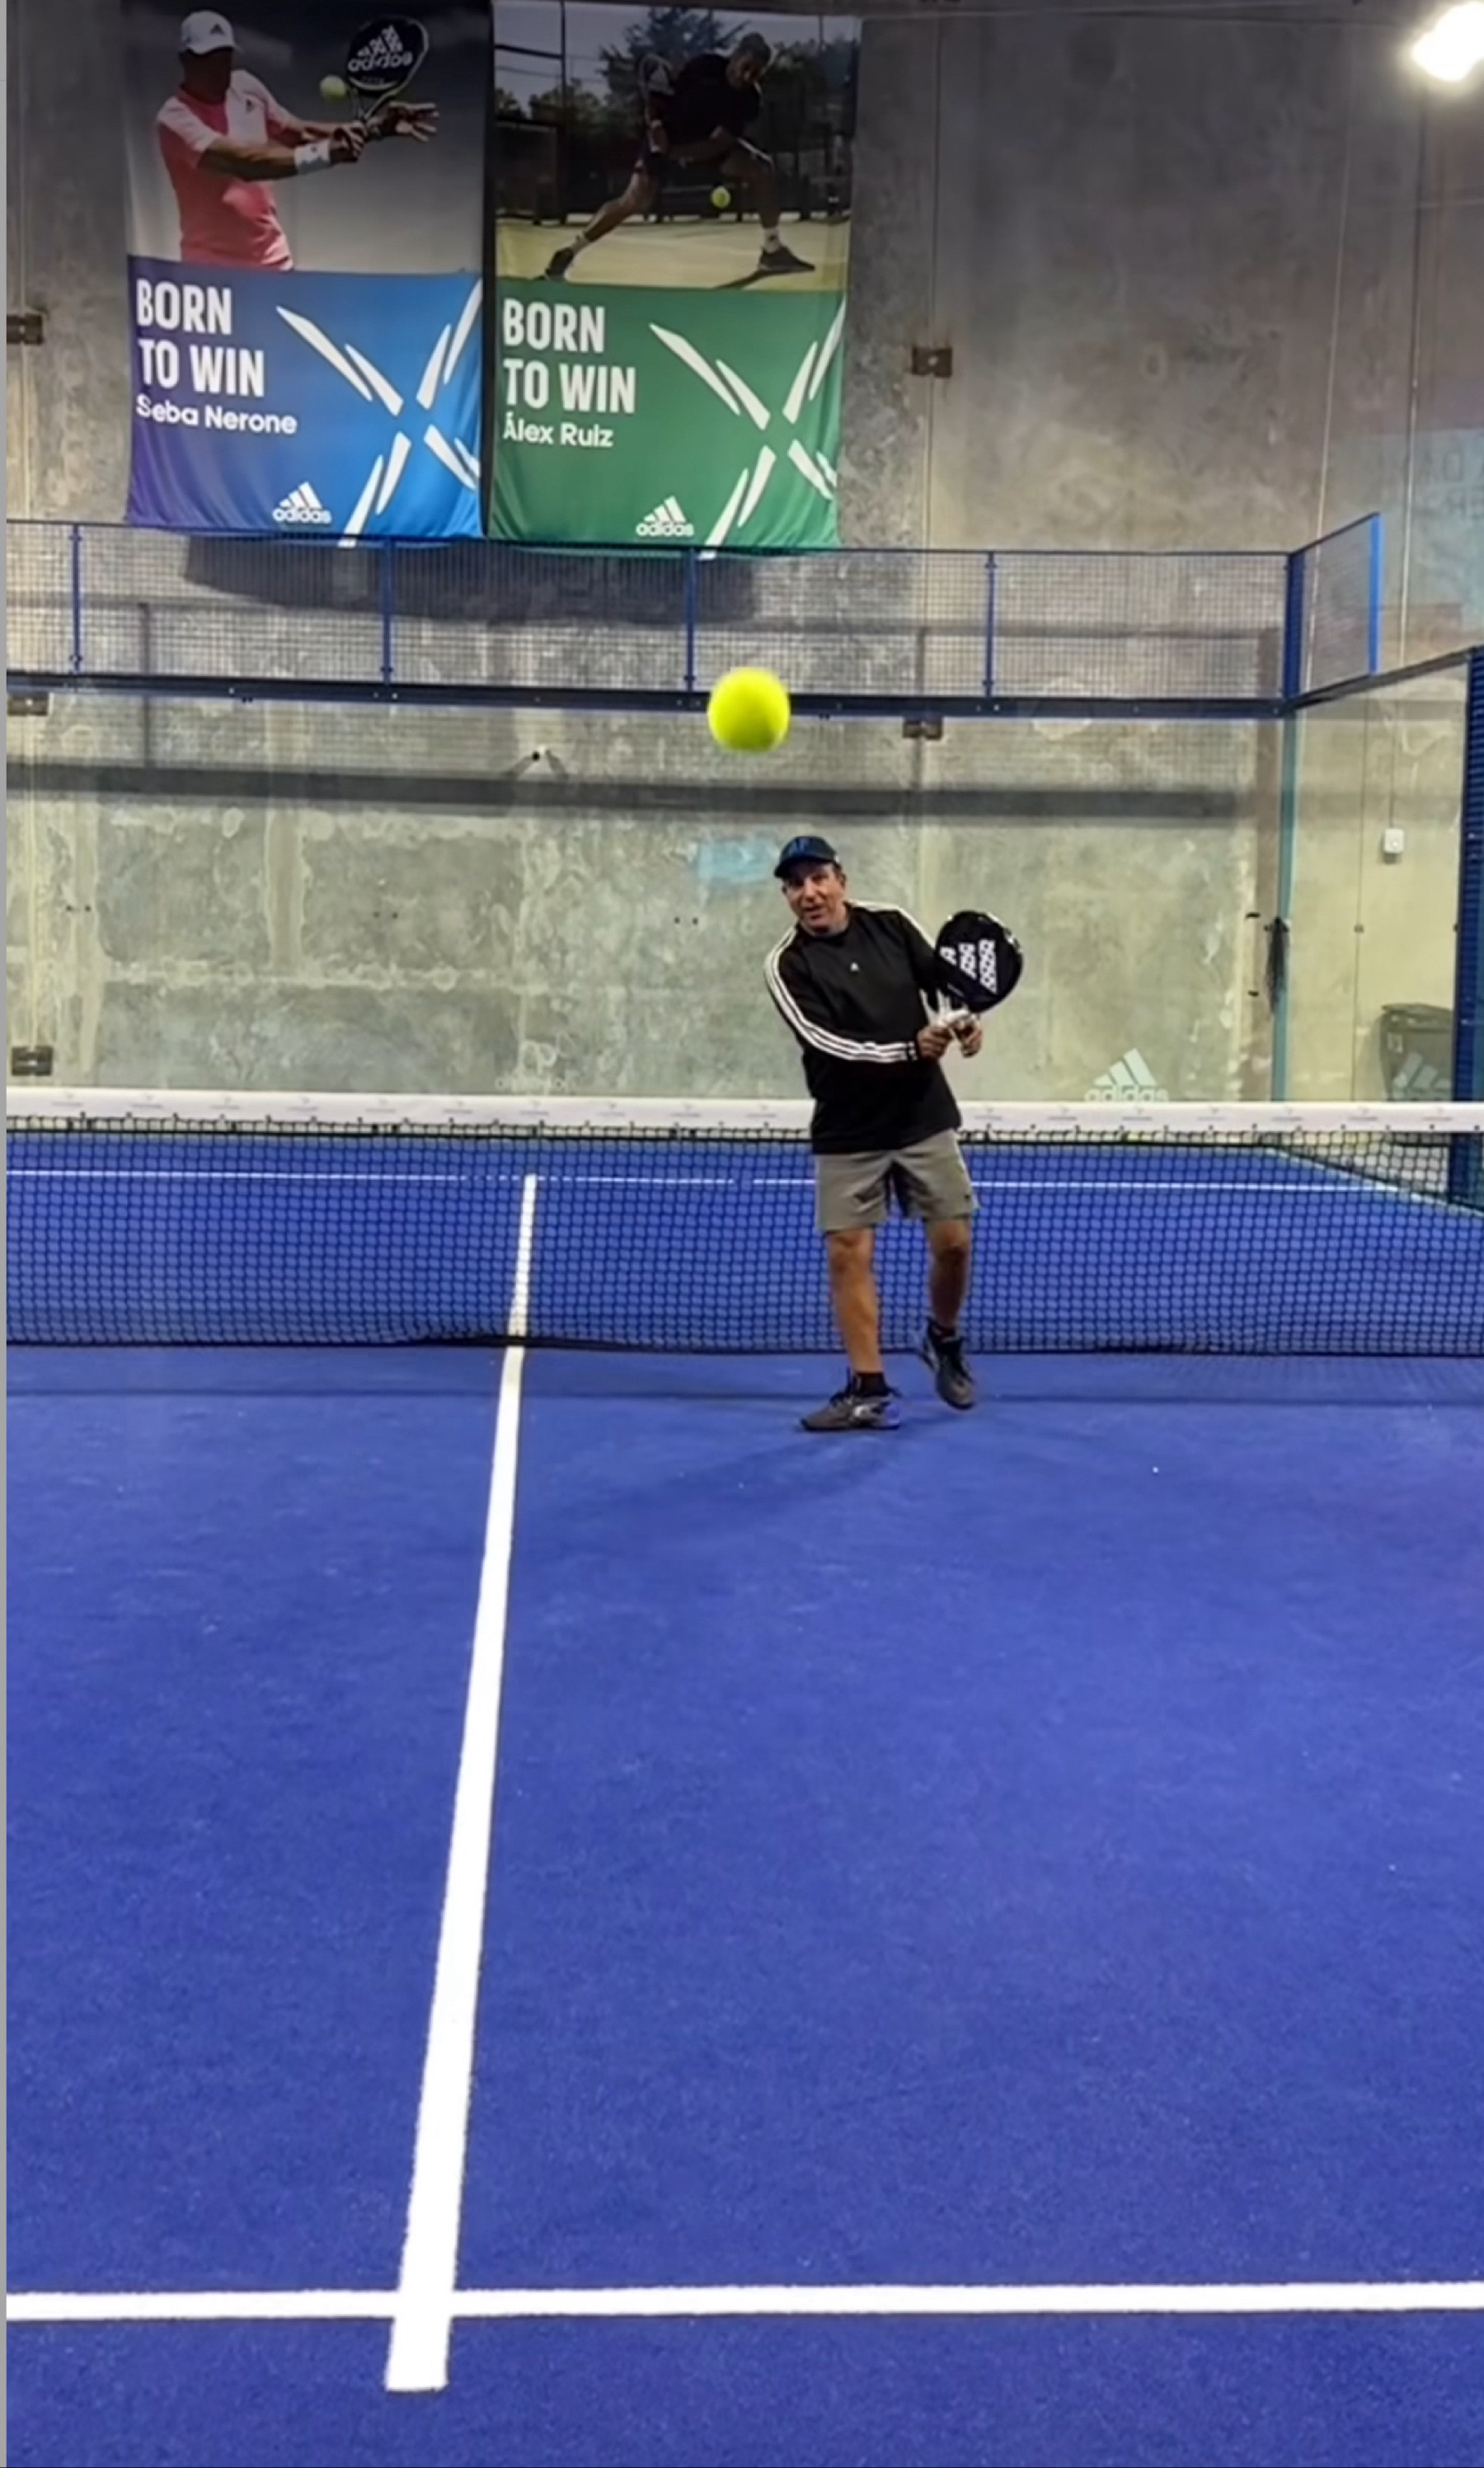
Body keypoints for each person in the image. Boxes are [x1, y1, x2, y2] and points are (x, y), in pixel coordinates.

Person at [764, 836, 984, 1432]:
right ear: (787, 896)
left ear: (841, 879)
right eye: (795, 884)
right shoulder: (787, 965)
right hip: (848, 1126)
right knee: (848, 1252)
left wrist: (964, 1019)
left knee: (955, 1242)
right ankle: (868, 1387)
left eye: (818, 878)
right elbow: (826, 1043)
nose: (810, 893)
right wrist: (909, 1048)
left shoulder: (891, 925)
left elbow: (941, 982)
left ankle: (942, 1337)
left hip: (922, 1115)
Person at [156, 11, 436, 271]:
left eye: (224, 56)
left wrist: (374, 129)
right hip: (210, 271)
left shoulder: (246, 86)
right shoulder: (175, 119)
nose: (219, 68)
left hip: (274, 262)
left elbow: (298, 133)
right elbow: (246, 164)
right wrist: (327, 154)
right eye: (208, 58)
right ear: (186, 59)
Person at [544, 33, 813, 284]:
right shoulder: (704, 66)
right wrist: (656, 126)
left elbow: (718, 143)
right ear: (735, 55)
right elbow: (659, 94)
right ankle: (570, 251)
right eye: (747, 66)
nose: (747, 76)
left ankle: (772, 250)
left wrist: (676, 155)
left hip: (702, 149)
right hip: (667, 136)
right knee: (634, 201)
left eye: (756, 73)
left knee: (762, 169)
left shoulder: (750, 99)